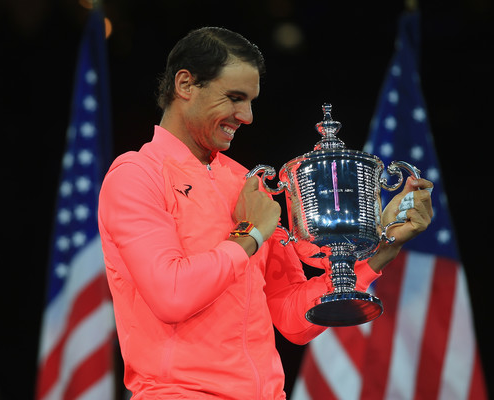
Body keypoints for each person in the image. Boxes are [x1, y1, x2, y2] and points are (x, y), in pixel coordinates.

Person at [98, 26, 433, 399]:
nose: (247, 116)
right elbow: (172, 295)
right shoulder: (134, 175)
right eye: (234, 98)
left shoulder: (245, 181)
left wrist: (382, 248)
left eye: (251, 101)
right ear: (185, 85)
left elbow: (292, 318)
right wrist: (250, 234)